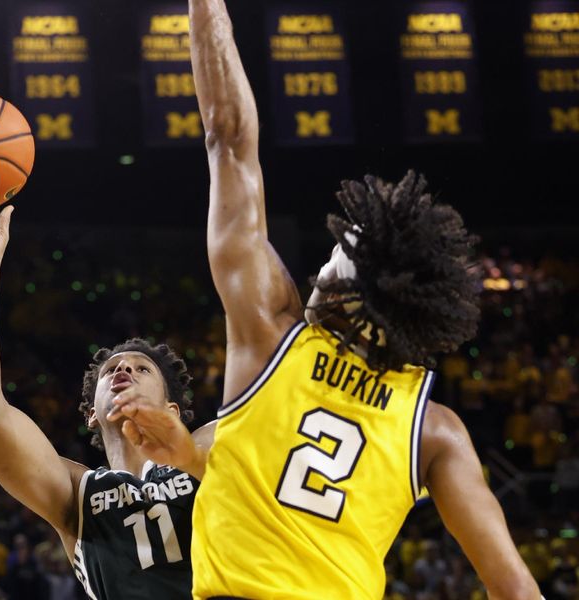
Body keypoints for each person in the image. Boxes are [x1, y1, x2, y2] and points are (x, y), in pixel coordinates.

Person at [114, 1, 542, 598]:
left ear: (344, 291)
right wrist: (191, 454)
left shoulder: (271, 333)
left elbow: (229, 138)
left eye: (328, 267)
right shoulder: (434, 430)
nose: (315, 275)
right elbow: (517, 591)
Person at [0, 198, 215, 599]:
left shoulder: (204, 447)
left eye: (141, 368)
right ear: (92, 415)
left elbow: (268, 406)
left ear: (173, 411)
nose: (122, 370)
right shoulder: (76, 493)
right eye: (110, 370)